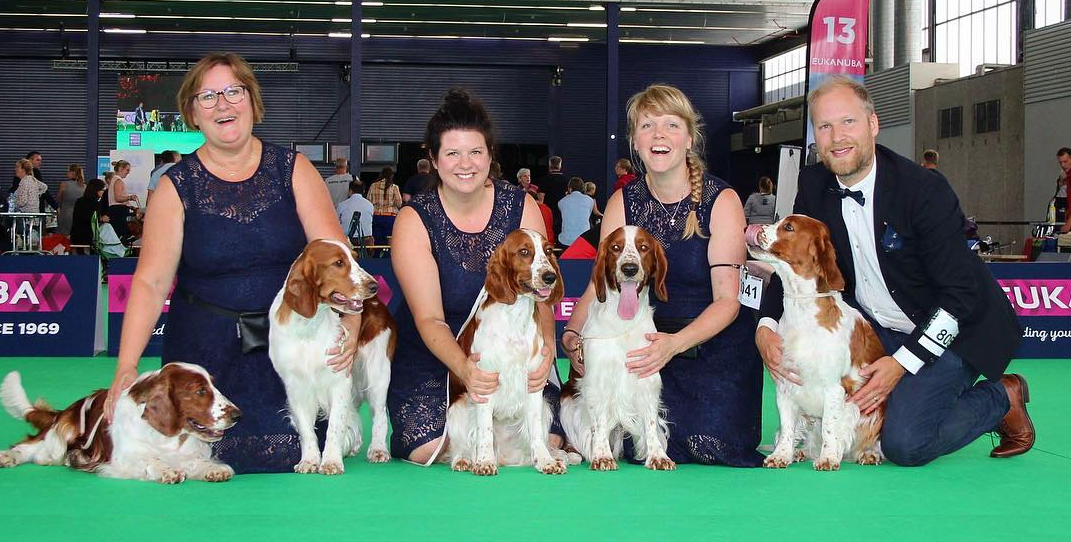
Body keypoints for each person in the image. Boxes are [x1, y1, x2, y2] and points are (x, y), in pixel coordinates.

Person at [756, 75, 1032, 466]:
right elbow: (793, 260)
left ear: (873, 124)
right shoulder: (814, 182)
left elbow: (960, 297)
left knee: (904, 443)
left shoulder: (924, 190)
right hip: (877, 328)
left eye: (848, 122)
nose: (837, 137)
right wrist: (766, 324)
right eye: (825, 126)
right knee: (864, 415)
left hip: (953, 328)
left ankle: (1003, 397)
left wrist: (903, 364)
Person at [104, 52, 358, 475]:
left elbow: (336, 258)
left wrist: (349, 329)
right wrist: (126, 367)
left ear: (252, 102)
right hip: (206, 355)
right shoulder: (173, 188)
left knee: (295, 451)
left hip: (289, 346)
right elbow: (149, 284)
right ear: (192, 114)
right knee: (196, 455)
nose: (222, 104)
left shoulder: (295, 170)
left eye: (232, 91)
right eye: (208, 96)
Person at [563, 84, 764, 467]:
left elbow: (728, 300)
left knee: (707, 445)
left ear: (689, 138)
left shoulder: (722, 201)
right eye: (647, 125)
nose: (658, 135)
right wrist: (574, 334)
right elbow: (600, 282)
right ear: (635, 142)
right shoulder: (622, 202)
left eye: (671, 125)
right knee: (629, 438)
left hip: (709, 343)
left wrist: (673, 345)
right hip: (643, 341)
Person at [387, 88, 561, 465]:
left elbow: (541, 293)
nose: (465, 163)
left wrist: (547, 348)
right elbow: (429, 318)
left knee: (547, 441)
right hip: (439, 358)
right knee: (431, 449)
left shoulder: (521, 205)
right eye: (452, 153)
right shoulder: (414, 219)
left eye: (475, 152)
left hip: (516, 353)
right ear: (433, 159)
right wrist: (467, 369)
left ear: (490, 156)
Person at [367, 166, 402, 245]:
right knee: (389, 242)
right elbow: (399, 203)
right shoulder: (394, 187)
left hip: (376, 216)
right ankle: (387, 256)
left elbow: (369, 201)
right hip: (390, 217)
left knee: (377, 241)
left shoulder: (373, 186)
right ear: (391, 176)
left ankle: (377, 256)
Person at [70, 178, 106, 253]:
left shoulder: (79, 201)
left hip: (76, 235)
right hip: (88, 237)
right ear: (97, 189)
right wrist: (101, 219)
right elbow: (90, 217)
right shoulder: (95, 203)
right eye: (103, 189)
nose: (103, 192)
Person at [105, 160, 139, 237]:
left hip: (115, 210)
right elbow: (118, 198)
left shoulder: (114, 180)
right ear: (120, 169)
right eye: (127, 170)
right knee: (120, 234)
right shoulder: (118, 181)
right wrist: (130, 197)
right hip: (119, 212)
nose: (128, 172)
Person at [557, 177, 594, 247]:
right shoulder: (590, 200)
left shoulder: (561, 202)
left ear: (570, 189)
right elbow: (589, 214)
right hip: (584, 240)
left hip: (566, 241)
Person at [337, 179, 374, 246]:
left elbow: (337, 222)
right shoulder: (370, 205)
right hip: (366, 241)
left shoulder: (342, 205)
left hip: (347, 241)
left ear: (350, 191)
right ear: (363, 191)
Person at [540, 155, 567, 235]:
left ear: (549, 165)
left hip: (549, 212)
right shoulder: (567, 180)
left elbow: (541, 199)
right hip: (562, 213)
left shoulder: (544, 180)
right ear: (560, 165)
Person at [57, 164, 87, 235]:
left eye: (68, 171)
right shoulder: (84, 186)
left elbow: (59, 199)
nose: (67, 173)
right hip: (80, 214)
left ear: (72, 173)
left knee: (65, 235)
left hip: (66, 213)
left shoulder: (64, 184)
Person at [1055, 147, 1069, 231]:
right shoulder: (1063, 173)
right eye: (1060, 163)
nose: (1063, 165)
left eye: (1065, 162)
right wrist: (1060, 182)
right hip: (1060, 202)